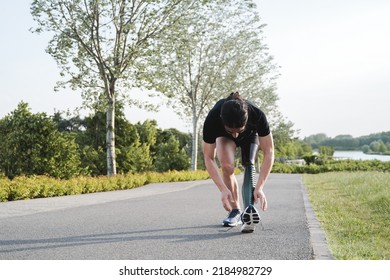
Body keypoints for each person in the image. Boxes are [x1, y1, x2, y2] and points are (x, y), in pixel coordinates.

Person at [202, 92, 274, 233]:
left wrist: (260, 187)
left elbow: (269, 152)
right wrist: (223, 189)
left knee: (250, 163)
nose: (235, 134)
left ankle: (249, 211)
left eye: (239, 130)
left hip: (250, 136)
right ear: (222, 120)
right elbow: (208, 157)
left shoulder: (257, 115)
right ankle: (235, 210)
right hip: (223, 137)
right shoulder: (213, 118)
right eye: (231, 130)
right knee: (227, 166)